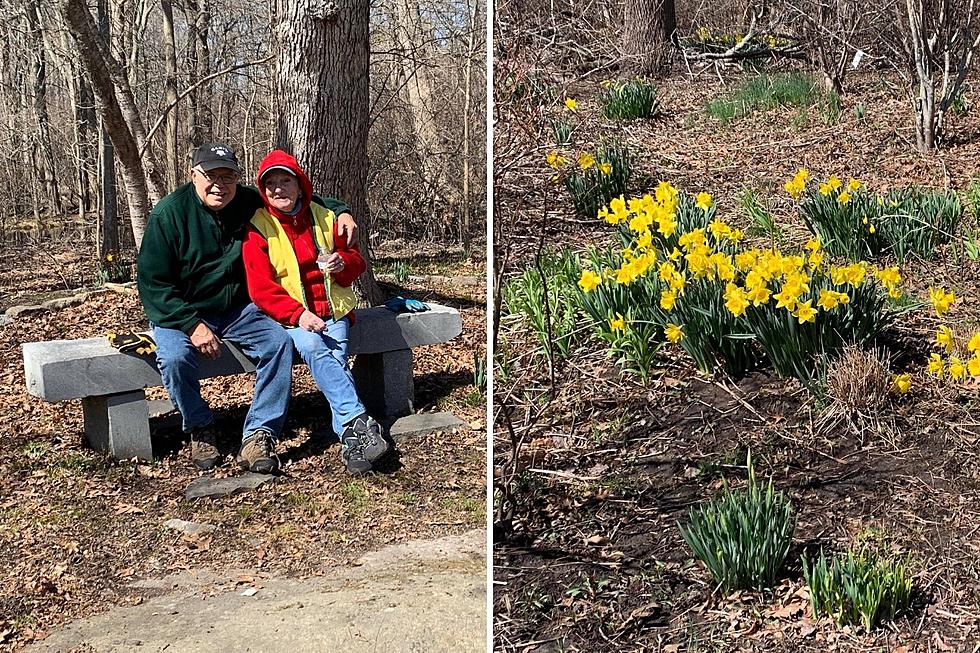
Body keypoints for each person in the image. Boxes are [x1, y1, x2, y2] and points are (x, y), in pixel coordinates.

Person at [136, 142, 357, 473]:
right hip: (181, 312)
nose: (219, 185)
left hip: (238, 309)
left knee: (278, 344)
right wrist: (191, 325)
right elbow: (153, 285)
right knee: (174, 357)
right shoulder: (169, 214)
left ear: (238, 180)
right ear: (193, 175)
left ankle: (259, 434)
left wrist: (342, 211)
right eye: (211, 175)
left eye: (228, 177)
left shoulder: (248, 201)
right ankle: (199, 425)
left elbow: (300, 200)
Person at [242, 150, 390, 475]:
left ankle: (354, 441)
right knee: (312, 347)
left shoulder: (325, 216)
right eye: (271, 184)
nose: (279, 189)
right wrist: (297, 315)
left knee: (335, 362)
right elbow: (260, 288)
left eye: (286, 181)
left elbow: (356, 262)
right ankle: (357, 420)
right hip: (291, 316)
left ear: (299, 184)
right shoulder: (257, 227)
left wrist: (343, 264)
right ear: (263, 190)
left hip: (332, 310)